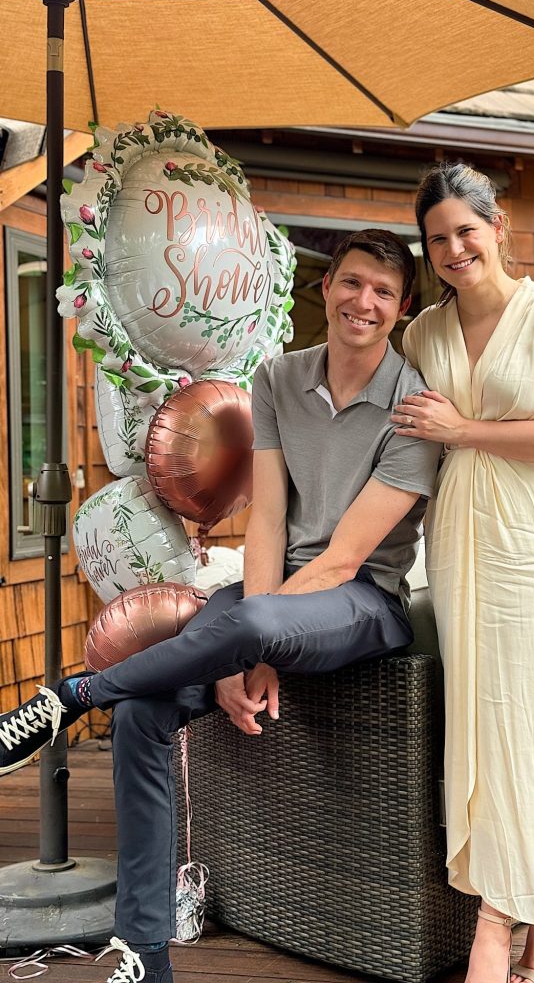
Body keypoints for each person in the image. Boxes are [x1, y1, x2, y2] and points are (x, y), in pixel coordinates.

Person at [0, 229, 441, 983]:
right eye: (353, 283)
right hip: (267, 597)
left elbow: (342, 559)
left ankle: (73, 694)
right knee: (144, 713)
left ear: (400, 310)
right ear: (327, 286)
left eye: (383, 293)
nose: (364, 302)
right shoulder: (275, 379)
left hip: (363, 603)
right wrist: (247, 641)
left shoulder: (415, 406)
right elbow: (266, 520)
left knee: (245, 621)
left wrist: (253, 651)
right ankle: (145, 953)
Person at [391, 163, 534, 983]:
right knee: (478, 723)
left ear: (498, 226)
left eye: (465, 231)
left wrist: (466, 428)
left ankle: (511, 917)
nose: (452, 249)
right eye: (437, 238)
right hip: (460, 543)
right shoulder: (422, 335)